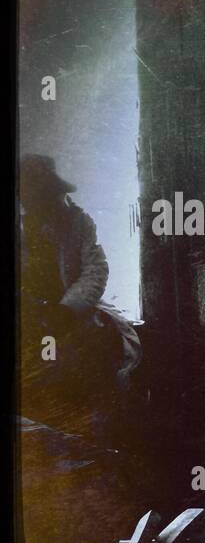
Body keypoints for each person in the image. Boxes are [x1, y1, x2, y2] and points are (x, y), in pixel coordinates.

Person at [19, 155, 141, 438]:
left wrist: (66, 311)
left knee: (98, 354)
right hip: (30, 317)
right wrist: (32, 311)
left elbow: (95, 269)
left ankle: (98, 439)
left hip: (72, 313)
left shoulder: (77, 222)